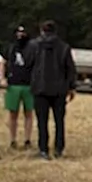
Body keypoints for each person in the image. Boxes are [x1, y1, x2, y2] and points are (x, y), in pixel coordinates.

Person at [29, 20, 76, 159]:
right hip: (59, 89)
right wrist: (71, 87)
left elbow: (28, 65)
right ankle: (59, 149)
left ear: (41, 31)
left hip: (40, 88)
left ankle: (43, 149)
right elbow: (70, 69)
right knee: (59, 121)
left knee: (42, 121)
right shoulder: (64, 47)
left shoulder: (34, 46)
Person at [2, 25, 36, 150]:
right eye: (18, 33)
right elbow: (3, 63)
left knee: (29, 113)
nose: (20, 35)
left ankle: (27, 139)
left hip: (29, 84)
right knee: (13, 114)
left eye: (23, 33)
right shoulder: (11, 48)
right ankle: (12, 139)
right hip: (13, 84)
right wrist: (3, 78)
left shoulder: (33, 48)